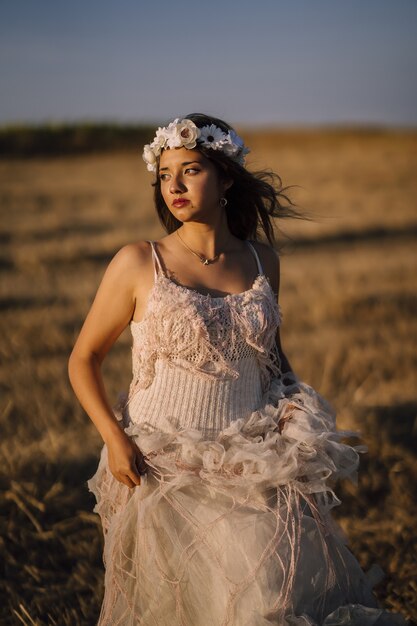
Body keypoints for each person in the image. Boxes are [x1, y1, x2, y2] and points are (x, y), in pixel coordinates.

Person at [68, 114, 408, 625]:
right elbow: (83, 359)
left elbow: (270, 356)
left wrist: (295, 415)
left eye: (191, 170)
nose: (174, 186)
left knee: (266, 600)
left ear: (226, 177)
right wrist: (114, 437)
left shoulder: (261, 261)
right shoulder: (140, 262)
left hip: (251, 462)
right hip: (162, 466)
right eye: (164, 175)